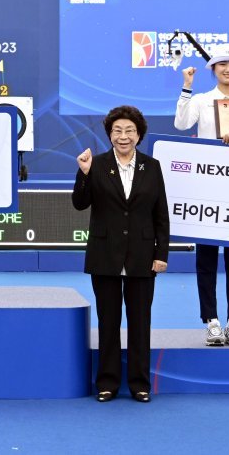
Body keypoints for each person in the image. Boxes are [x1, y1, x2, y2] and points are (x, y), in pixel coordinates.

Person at [72, 105, 169, 403]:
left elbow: (161, 215)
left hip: (142, 256)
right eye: (117, 131)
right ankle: (108, 383)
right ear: (109, 134)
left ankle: (140, 384)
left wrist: (160, 254)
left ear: (139, 135)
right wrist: (84, 174)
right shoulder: (96, 164)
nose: (123, 136)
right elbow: (79, 203)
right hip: (105, 255)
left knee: (141, 323)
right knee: (108, 322)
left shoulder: (152, 167)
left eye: (129, 131)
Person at [174, 42, 229, 346]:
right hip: (206, 190)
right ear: (212, 69)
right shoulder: (201, 99)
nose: (228, 69)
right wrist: (186, 87)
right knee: (206, 259)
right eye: (222, 64)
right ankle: (211, 321)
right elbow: (182, 123)